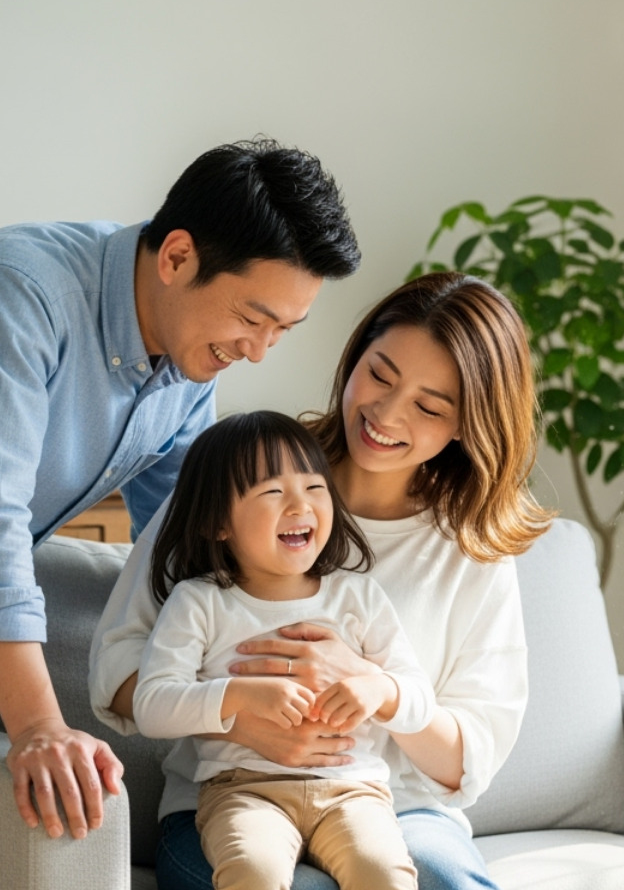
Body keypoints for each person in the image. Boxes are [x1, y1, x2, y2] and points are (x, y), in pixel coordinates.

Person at [0, 138, 361, 890]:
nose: (260, 352)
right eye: (253, 317)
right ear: (176, 256)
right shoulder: (16, 295)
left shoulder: (188, 373)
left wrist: (270, 683)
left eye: (284, 331)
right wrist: (40, 728)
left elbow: (200, 547)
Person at [92, 271, 553, 890]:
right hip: (230, 797)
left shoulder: (469, 550)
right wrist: (233, 716)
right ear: (355, 354)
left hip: (396, 806)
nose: (386, 413)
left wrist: (372, 685)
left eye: (428, 406)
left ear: (468, 423)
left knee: (439, 879)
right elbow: (117, 667)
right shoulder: (242, 476)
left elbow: (468, 758)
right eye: (380, 374)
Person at [135, 411, 431, 890]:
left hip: (354, 792)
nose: (300, 506)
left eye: (315, 488)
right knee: (252, 872)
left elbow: (419, 699)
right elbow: (152, 707)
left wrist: (378, 689)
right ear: (217, 522)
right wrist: (240, 697)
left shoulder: (358, 597)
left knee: (385, 874)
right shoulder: (200, 601)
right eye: (273, 492)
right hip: (244, 792)